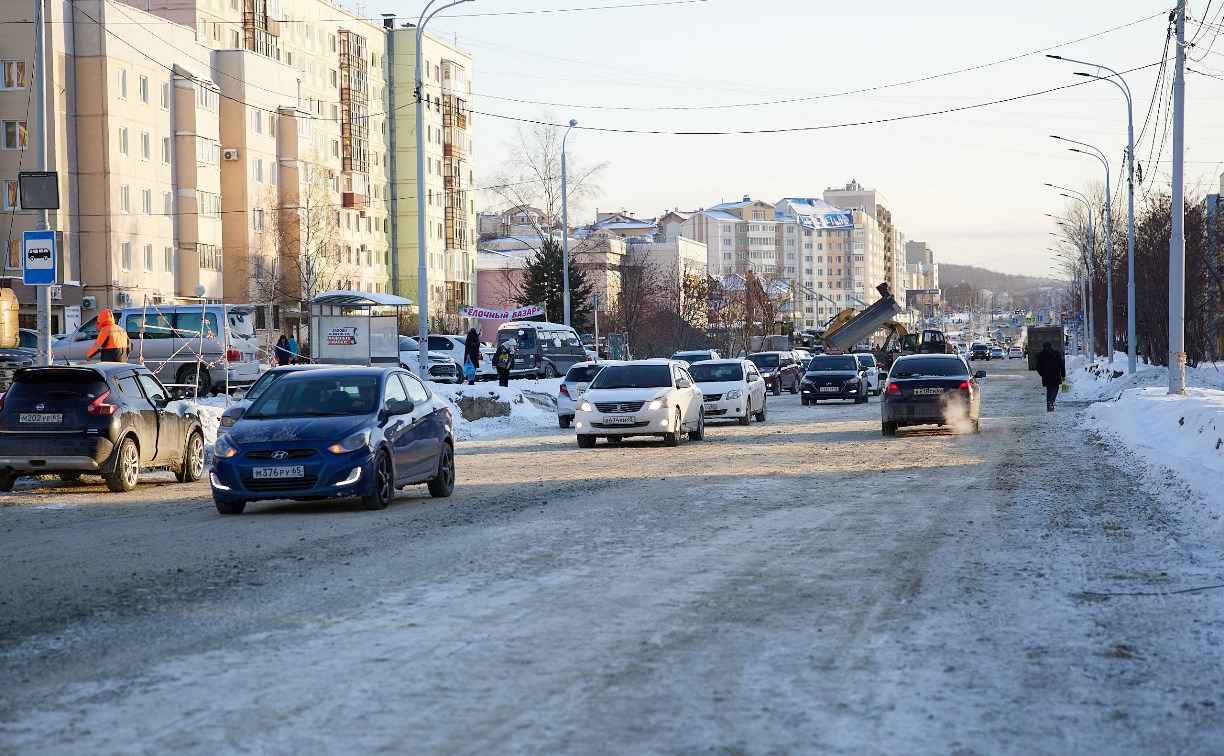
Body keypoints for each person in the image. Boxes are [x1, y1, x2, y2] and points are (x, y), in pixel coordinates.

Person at [1035, 340, 1066, 412]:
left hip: (1046, 375)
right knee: (1055, 388)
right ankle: (1051, 401)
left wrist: (1042, 374)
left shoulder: (1041, 354)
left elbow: (1038, 367)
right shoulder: (1056, 353)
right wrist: (1063, 375)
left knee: (1048, 389)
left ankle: (1049, 406)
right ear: (1050, 346)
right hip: (1055, 374)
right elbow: (1061, 365)